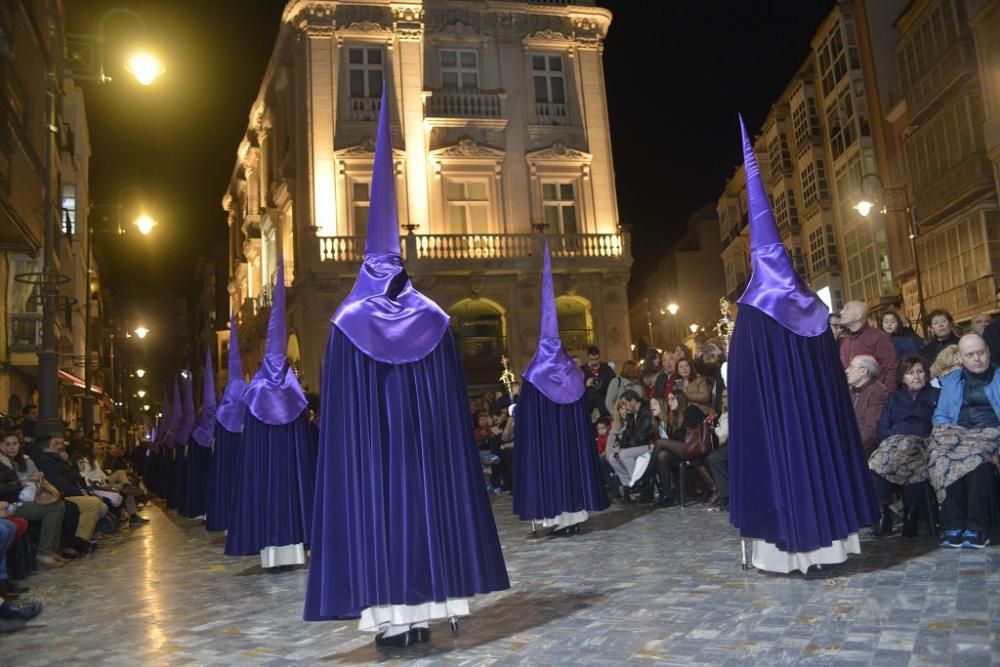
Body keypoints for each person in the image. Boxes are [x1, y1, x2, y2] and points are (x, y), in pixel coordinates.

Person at [305, 89, 509, 647]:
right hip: (424, 459)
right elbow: (450, 408)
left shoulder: (347, 322)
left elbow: (341, 417)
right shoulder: (435, 319)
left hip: (374, 462)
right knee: (424, 519)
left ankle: (395, 621)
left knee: (382, 525)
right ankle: (425, 615)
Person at [728, 117, 877, 573]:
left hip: (777, 423)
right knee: (821, 462)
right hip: (817, 416)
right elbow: (831, 371)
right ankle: (834, 544)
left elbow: (743, 381)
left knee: (783, 470)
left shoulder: (752, 313)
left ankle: (788, 553)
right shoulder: (811, 303)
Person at [512, 241, 609, 535]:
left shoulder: (534, 373)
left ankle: (556, 519)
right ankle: (574, 519)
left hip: (546, 443)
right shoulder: (572, 372)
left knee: (551, 468)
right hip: (568, 442)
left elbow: (526, 420)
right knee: (570, 465)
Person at [226, 262, 316, 570]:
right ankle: (294, 549)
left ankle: (272, 554)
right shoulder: (294, 396)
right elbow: (304, 454)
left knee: (268, 495)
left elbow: (251, 451)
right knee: (291, 495)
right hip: (289, 476)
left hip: (266, 476)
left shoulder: (255, 393)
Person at [928, 334, 999, 549]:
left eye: (980, 352)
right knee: (941, 458)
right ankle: (954, 525)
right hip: (958, 433)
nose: (977, 358)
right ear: (960, 357)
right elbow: (940, 414)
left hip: (991, 432)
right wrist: (944, 431)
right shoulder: (951, 380)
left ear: (988, 351)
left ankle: (977, 528)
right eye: (970, 355)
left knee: (976, 460)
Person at [867, 356, 940, 537]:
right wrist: (893, 440)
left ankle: (911, 513)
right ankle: (884, 512)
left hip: (923, 441)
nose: (915, 376)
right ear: (902, 377)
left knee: (913, 460)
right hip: (894, 442)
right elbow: (882, 425)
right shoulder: (894, 397)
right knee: (876, 462)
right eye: (910, 373)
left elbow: (939, 421)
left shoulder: (935, 395)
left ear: (926, 374)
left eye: (919, 372)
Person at [838, 301, 898, 389]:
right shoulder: (845, 342)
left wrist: (887, 395)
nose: (841, 312)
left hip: (875, 396)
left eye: (847, 309)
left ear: (858, 316)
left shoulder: (878, 337)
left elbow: (891, 368)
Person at [846, 355, 890, 455]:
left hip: (862, 445)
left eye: (851, 367)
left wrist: (852, 446)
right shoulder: (849, 390)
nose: (847, 370)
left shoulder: (878, 392)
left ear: (863, 371)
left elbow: (871, 428)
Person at [706, 388, 730, 511]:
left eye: (727, 396)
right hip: (718, 444)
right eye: (723, 396)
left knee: (714, 457)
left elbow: (723, 437)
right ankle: (718, 491)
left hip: (729, 444)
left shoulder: (733, 413)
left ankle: (725, 496)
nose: (725, 399)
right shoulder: (722, 414)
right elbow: (714, 428)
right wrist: (711, 421)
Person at [580, 345, 616, 421]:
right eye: (592, 359)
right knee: (591, 392)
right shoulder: (582, 370)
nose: (595, 362)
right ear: (587, 357)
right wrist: (586, 384)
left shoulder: (606, 368)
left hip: (605, 399)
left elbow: (614, 383)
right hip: (589, 406)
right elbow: (576, 388)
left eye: (597, 359)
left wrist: (601, 383)